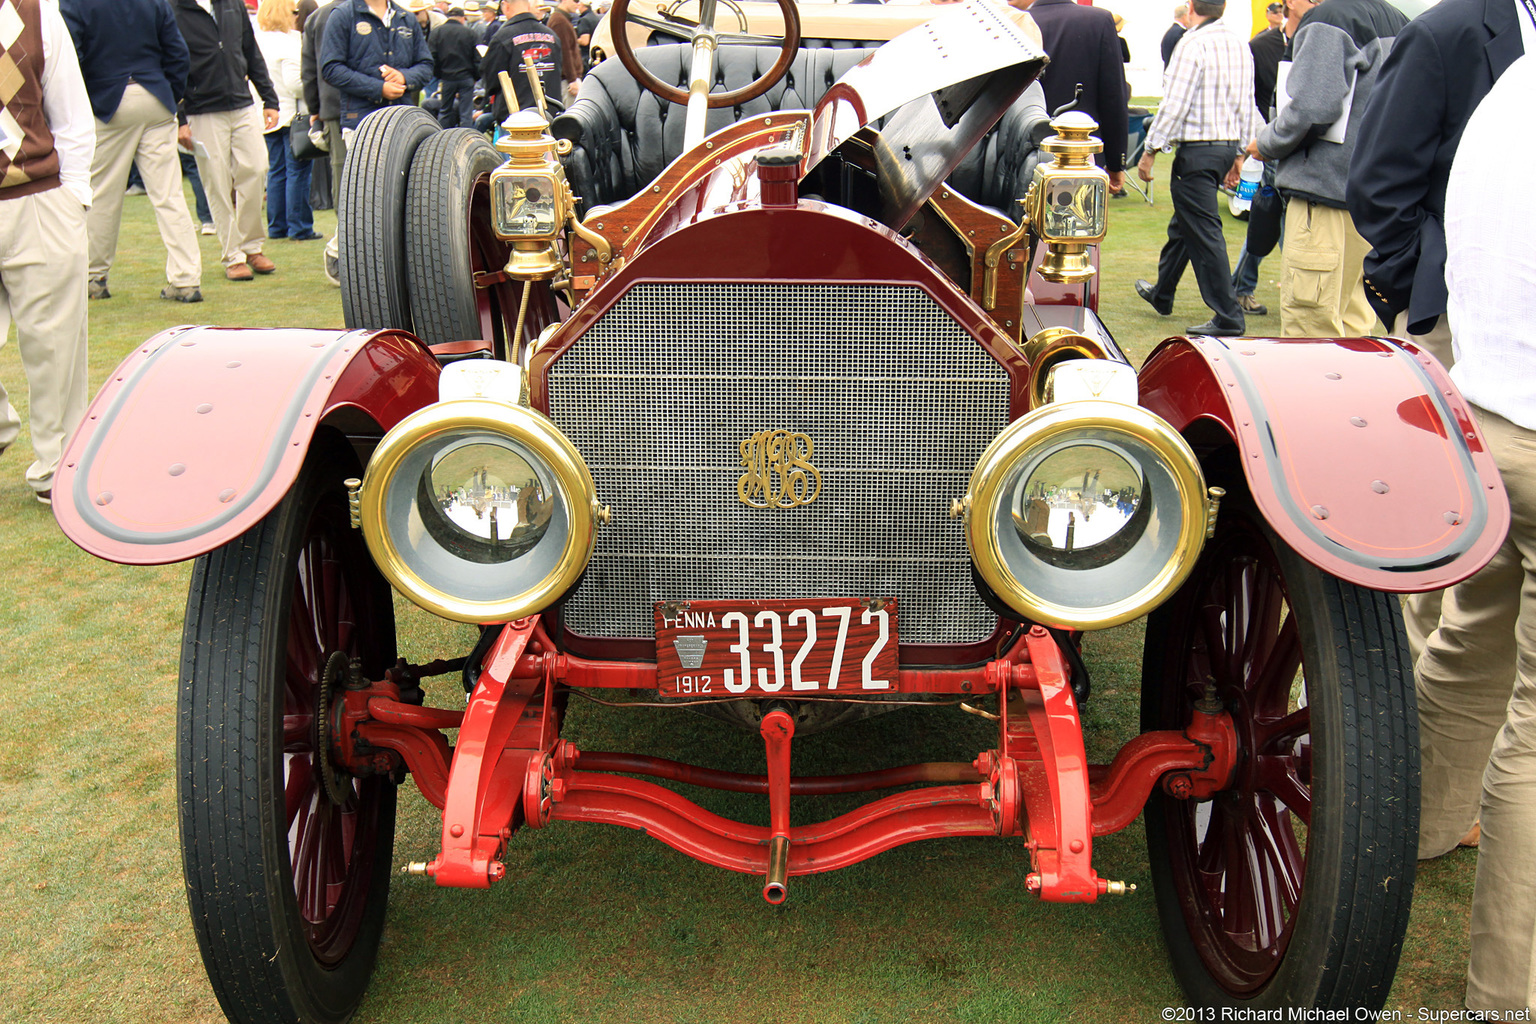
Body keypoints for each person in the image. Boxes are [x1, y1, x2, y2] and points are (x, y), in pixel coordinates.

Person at [1346, 0, 1528, 664]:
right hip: (1451, 317)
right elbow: (1379, 179)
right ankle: (1406, 685)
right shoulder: (1447, 32)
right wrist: (1426, 289)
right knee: (1443, 528)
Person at [1415, 51, 1536, 1017]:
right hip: (1510, 402)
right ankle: (1510, 991)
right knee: (1534, 729)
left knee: (1469, 644)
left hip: (1488, 414)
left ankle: (1410, 829)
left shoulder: (1510, 92)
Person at [1247, 0, 1406, 338]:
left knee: (1311, 331)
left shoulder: (1333, 17)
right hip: (1370, 200)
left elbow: (1313, 108)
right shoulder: (1398, 19)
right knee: (1354, 327)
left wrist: (1267, 142)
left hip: (1324, 198)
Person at [0, 0, 94, 506]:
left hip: (38, 198)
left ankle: (57, 466)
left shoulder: (36, 12)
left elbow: (71, 112)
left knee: (54, 345)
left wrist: (72, 196)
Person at [61, 0, 203, 304]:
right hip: (155, 96)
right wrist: (170, 95)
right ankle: (186, 278)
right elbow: (178, 53)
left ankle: (93, 276)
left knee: (102, 195)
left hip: (107, 101)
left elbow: (71, 58)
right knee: (169, 195)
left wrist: (87, 103)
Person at [1134, 0, 1263, 337]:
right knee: (1185, 225)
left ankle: (1228, 315)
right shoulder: (1238, 42)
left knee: (1204, 232)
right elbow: (1246, 102)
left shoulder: (1190, 43)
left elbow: (1175, 104)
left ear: (1191, 7)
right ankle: (1162, 292)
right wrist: (1239, 154)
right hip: (1224, 147)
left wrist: (1150, 149)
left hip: (1197, 152)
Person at [172, 0, 281, 282]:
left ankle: (252, 246)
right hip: (201, 108)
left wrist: (269, 97)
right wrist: (180, 118)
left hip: (241, 102)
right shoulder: (172, 7)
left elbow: (250, 49)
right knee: (216, 182)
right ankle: (233, 255)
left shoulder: (231, 3)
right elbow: (169, 63)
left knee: (256, 169)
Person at [1009, 0, 1128, 196]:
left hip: (1020, 156)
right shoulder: (1098, 21)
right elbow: (1113, 98)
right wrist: (1116, 163)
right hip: (1079, 157)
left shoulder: (1014, 22)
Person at [1228, 0, 1289, 317]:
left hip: (1293, 146)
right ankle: (1241, 287)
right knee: (1272, 219)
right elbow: (1247, 97)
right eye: (1275, 8)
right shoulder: (1260, 46)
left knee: (1275, 220)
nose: (1278, 13)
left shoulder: (1305, 41)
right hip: (1274, 143)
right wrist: (1257, 140)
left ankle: (1241, 286)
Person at [320, 0, 434, 136]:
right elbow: (331, 69)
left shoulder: (406, 18)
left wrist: (404, 77)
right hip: (360, 124)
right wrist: (378, 89)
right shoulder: (343, 15)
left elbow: (426, 66)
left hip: (403, 123)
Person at [255, 0, 319, 241]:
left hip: (267, 114)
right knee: (298, 172)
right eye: (293, 12)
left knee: (277, 171)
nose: (296, 16)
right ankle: (300, 226)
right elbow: (295, 83)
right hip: (293, 114)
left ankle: (276, 226)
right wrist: (315, 90)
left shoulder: (258, 40)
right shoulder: (290, 41)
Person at [483, 0, 561, 119]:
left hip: (515, 119)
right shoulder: (552, 36)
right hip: (549, 114)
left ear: (506, 5)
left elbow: (491, 81)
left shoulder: (503, 37)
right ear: (528, 5)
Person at [302, 0, 346, 196]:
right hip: (377, 103)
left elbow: (309, 71)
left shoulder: (317, 17)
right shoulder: (374, 12)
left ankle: (344, 224)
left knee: (341, 170)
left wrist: (315, 109)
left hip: (333, 106)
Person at [430, 5, 481, 127]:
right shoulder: (470, 33)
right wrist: (475, 77)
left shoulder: (437, 32)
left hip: (447, 78)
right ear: (462, 18)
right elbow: (477, 58)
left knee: (445, 111)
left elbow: (433, 57)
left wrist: (439, 74)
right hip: (466, 78)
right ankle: (466, 139)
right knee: (466, 113)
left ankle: (442, 138)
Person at [547, 0, 583, 100]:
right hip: (567, 80)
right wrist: (572, 79)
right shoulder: (559, 21)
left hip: (568, 78)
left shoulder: (561, 19)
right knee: (570, 113)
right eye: (575, 0)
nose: (577, 4)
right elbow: (564, 52)